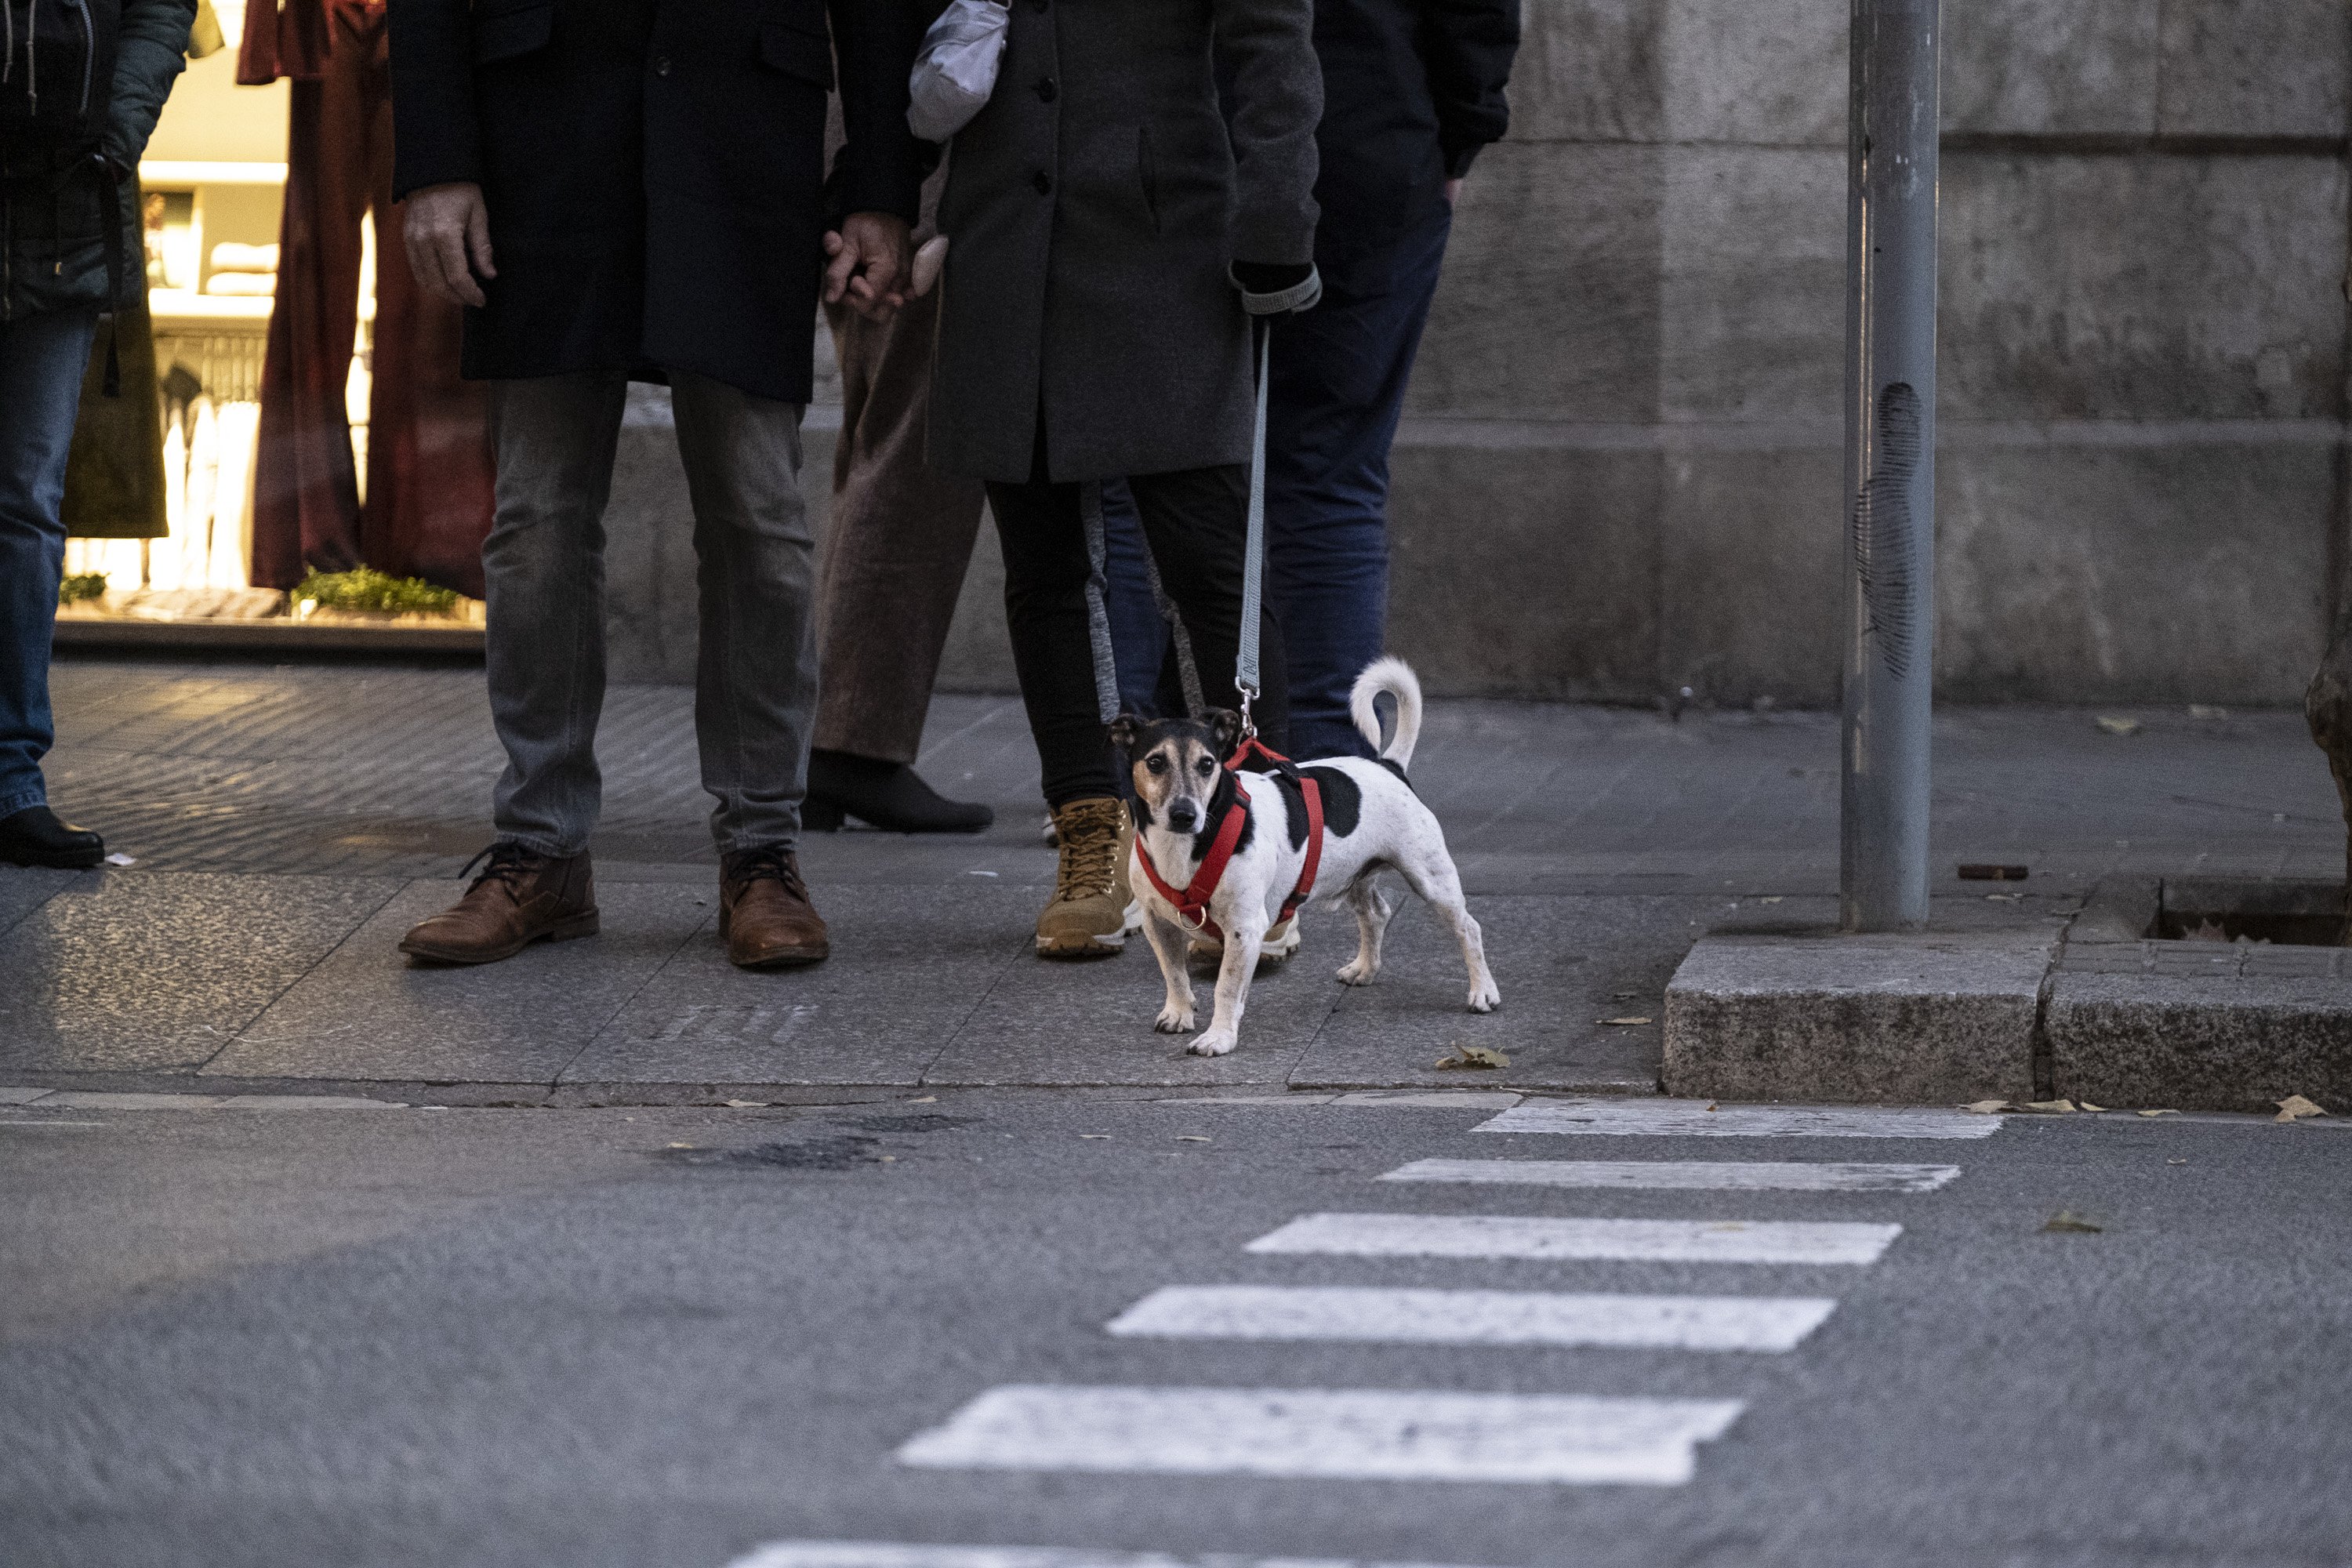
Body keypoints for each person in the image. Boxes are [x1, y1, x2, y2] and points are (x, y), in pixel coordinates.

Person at [384, 0, 925, 968]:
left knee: (759, 517)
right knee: (536, 520)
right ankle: (540, 849)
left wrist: (881, 179)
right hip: (544, 130)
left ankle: (763, 849)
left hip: (743, 132)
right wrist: (436, 157)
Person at [927, 2, 1323, 958]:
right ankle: (1090, 840)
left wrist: (1276, 210)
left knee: (1210, 557)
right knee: (1043, 560)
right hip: (1004, 237)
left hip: (1166, 241)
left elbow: (1271, 32)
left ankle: (1257, 850)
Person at [1264, 0, 1519, 757]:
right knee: (1330, 467)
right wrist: (1461, 135)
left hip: (1193, 136)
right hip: (1369, 129)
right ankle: (1331, 773)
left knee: (1167, 473)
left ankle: (1135, 777)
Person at [0, 0, 197, 869]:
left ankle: (11, 782)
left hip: (65, 197)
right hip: (72, 193)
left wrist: (114, 134)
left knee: (27, 503)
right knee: (27, 504)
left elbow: (161, 8)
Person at [804, 100, 991, 835]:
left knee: (886, 435)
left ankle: (832, 739)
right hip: (909, 140)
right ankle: (850, 742)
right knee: (918, 441)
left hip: (879, 135)